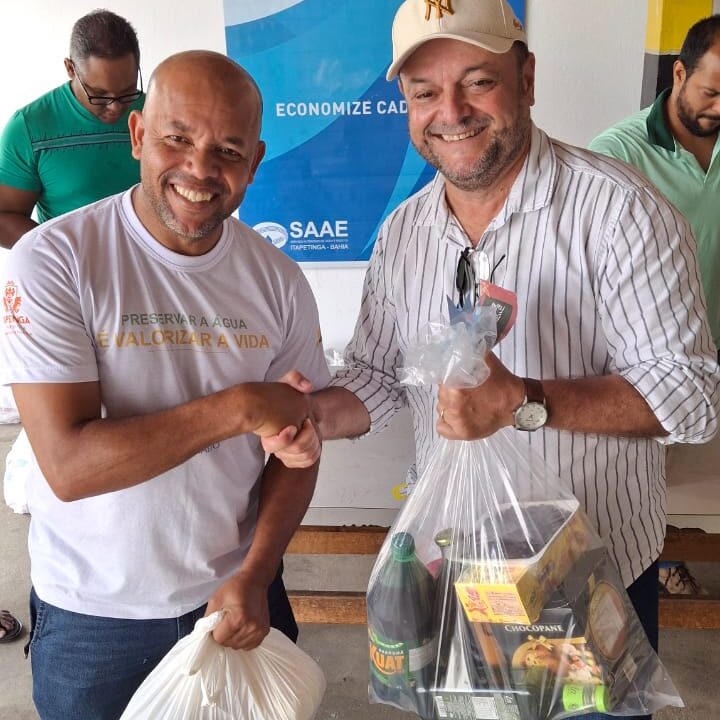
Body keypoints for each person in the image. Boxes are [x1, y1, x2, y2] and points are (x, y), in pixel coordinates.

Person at [265, 1, 720, 719]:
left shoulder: (620, 211)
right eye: (425, 91)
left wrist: (525, 401)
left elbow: (691, 398)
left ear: (526, 79)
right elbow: (380, 376)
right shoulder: (404, 233)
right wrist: (311, 414)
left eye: (478, 82)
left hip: (588, 577)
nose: (451, 112)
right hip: (456, 570)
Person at [0, 50, 329, 720]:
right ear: (138, 134)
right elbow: (68, 466)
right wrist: (241, 407)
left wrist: (256, 572)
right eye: (177, 138)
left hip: (236, 595)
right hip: (94, 617)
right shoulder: (56, 259)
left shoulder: (278, 281)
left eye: (228, 150)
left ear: (255, 161)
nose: (200, 169)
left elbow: (298, 450)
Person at [590, 15, 720, 598]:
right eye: (711, 92)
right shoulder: (617, 154)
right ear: (679, 74)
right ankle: (657, 557)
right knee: (648, 473)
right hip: (651, 354)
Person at [0, 9, 144, 249]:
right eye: (99, 94)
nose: (115, 107)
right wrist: (65, 253)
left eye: (127, 91)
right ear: (70, 68)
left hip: (154, 265)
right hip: (71, 268)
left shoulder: (157, 113)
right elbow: (4, 216)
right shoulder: (29, 127)